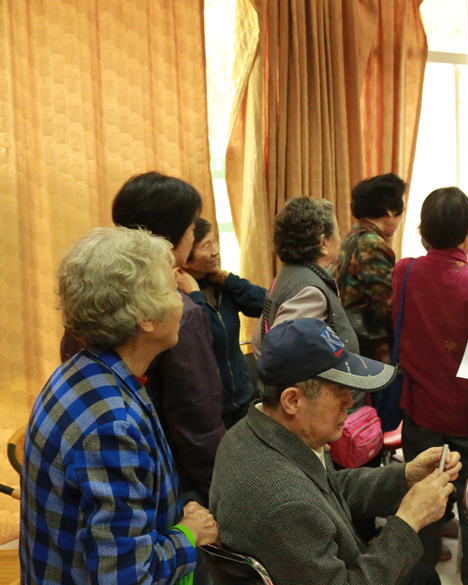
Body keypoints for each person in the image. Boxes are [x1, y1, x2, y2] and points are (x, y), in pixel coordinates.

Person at [21, 227, 219, 585]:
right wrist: (188, 533)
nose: (181, 300)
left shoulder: (79, 371)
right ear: (145, 317)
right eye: (171, 289)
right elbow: (129, 577)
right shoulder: (111, 427)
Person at [210, 318, 460, 585]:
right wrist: (409, 520)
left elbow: (328, 489)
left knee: (423, 575)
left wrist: (406, 477)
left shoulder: (251, 430)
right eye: (339, 391)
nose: (349, 401)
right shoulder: (286, 506)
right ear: (293, 400)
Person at [60, 172, 227, 507]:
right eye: (192, 227)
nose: (194, 235)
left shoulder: (96, 285)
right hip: (168, 484)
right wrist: (224, 499)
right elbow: (198, 422)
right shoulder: (173, 312)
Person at [393, 187, 468, 585]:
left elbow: (436, 293)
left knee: (423, 498)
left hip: (422, 414)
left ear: (423, 231)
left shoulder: (404, 272)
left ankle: (422, 573)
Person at [251, 197, 367, 409]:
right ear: (323, 243)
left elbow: (259, 342)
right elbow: (282, 359)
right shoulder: (309, 291)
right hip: (322, 413)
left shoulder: (288, 275)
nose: (340, 238)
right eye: (337, 231)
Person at [181, 218, 266, 427]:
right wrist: (196, 296)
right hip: (209, 406)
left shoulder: (221, 284)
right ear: (185, 257)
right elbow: (203, 335)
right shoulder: (180, 295)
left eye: (215, 242)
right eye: (206, 246)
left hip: (242, 395)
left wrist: (229, 279)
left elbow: (266, 304)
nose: (215, 251)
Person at [333, 173, 405, 363]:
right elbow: (387, 305)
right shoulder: (372, 243)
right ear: (390, 209)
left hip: (347, 340)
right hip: (369, 350)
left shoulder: (352, 237)